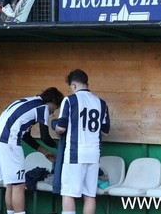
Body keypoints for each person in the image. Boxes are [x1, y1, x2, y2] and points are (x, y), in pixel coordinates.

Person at [0, 87, 64, 214]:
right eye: (55, 108)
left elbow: (26, 136)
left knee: (10, 185)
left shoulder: (26, 101)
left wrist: (45, 152)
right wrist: (61, 147)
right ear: (51, 101)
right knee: (18, 186)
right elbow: (45, 137)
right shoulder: (43, 107)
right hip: (9, 143)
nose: (52, 113)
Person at [53, 69, 110, 214]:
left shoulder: (69, 100)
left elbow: (61, 128)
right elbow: (105, 131)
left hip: (74, 153)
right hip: (94, 154)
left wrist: (54, 125)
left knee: (68, 193)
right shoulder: (101, 103)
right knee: (90, 195)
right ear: (87, 83)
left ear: (73, 85)